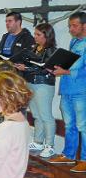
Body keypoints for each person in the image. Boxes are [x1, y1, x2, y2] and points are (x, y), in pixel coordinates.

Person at [13, 23, 57, 158]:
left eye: (38, 35)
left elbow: (47, 69)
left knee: (46, 116)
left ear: (47, 35)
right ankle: (38, 141)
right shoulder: (36, 48)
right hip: (31, 82)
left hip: (44, 84)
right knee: (37, 115)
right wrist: (22, 64)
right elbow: (33, 63)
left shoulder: (51, 50)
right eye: (35, 34)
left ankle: (49, 145)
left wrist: (26, 69)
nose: (35, 37)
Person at [49, 12, 86, 172]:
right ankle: (69, 154)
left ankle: (85, 159)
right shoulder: (74, 42)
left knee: (83, 125)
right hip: (67, 89)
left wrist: (64, 72)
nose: (71, 29)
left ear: (84, 26)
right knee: (69, 124)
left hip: (81, 90)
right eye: (70, 25)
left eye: (74, 25)